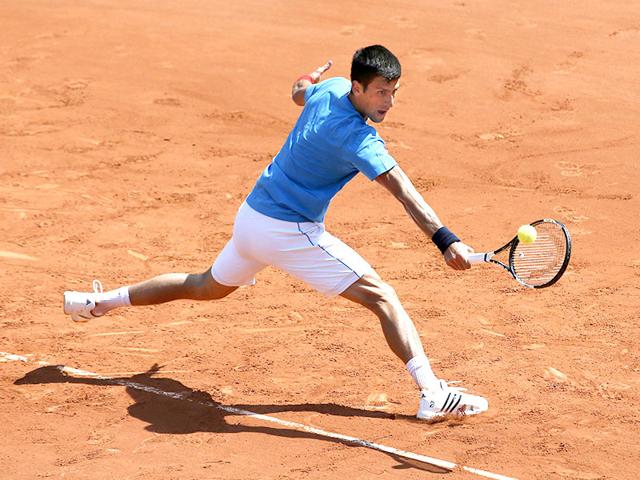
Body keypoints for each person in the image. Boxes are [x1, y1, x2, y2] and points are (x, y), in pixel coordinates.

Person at [64, 45, 488, 421]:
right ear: (357, 87)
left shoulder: (331, 87)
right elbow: (405, 192)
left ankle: (98, 302)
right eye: (380, 91)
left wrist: (308, 77)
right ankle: (433, 394)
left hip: (251, 217)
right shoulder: (359, 139)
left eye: (394, 92)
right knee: (382, 296)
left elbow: (298, 91)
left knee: (205, 285)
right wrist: (445, 240)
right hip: (288, 230)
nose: (389, 102)